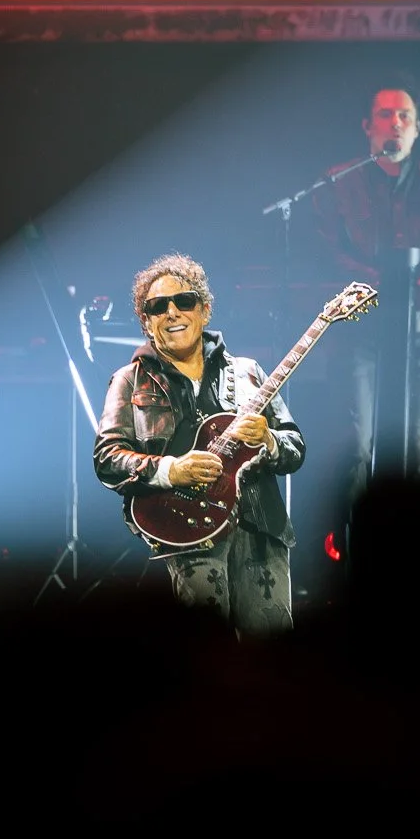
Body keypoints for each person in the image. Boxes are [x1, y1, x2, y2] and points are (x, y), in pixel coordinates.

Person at [94, 253, 305, 638]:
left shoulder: (248, 372)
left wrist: (269, 440)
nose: (172, 312)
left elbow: (295, 448)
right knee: (208, 661)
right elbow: (108, 459)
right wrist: (171, 470)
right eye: (158, 307)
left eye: (184, 301)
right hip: (188, 533)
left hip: (259, 528)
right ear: (146, 322)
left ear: (204, 311)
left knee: (274, 666)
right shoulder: (129, 381)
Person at [306, 77, 420, 494]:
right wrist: (379, 285)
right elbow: (325, 250)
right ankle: (351, 542)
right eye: (385, 114)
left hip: (418, 333)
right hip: (359, 328)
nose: (395, 122)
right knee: (355, 444)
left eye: (404, 115)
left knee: (417, 445)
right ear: (366, 126)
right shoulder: (338, 180)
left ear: (417, 127)